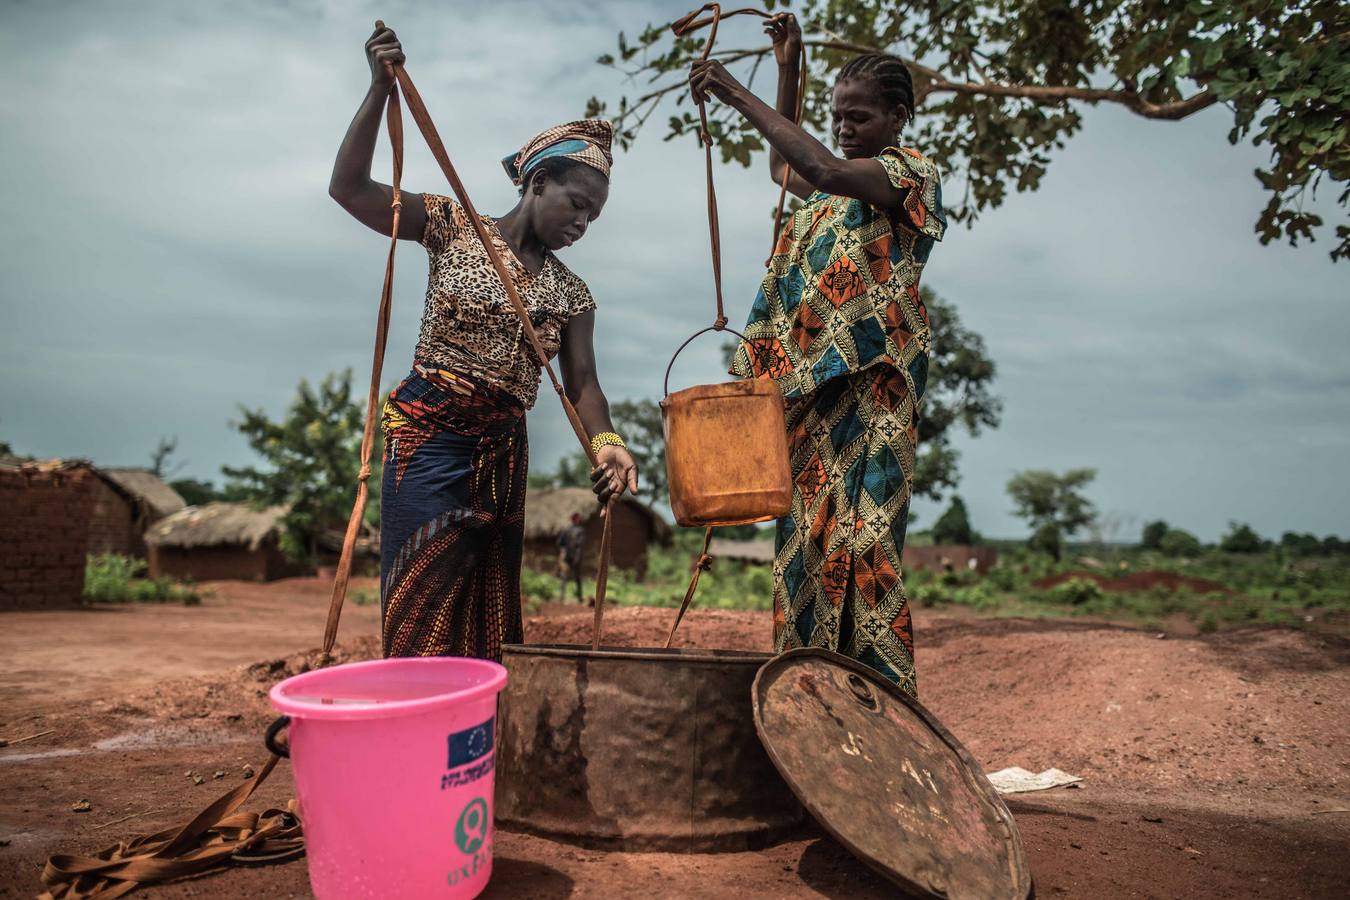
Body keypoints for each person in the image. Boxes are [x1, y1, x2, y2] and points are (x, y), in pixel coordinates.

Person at [329, 24, 638, 661]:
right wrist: (377, 92)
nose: (582, 223)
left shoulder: (573, 293)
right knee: (421, 593)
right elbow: (350, 190)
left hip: (503, 451)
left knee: (487, 608)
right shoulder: (451, 226)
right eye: (576, 204)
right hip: (430, 439)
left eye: (594, 217)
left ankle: (474, 746)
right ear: (536, 183)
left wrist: (607, 444)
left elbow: (583, 383)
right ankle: (413, 734)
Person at [690, 14, 945, 697]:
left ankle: (887, 706)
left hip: (874, 387)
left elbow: (820, 165)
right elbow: (787, 165)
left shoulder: (907, 175)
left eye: (858, 116)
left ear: (898, 117)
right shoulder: (826, 202)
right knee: (804, 552)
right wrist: (788, 65)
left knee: (864, 546)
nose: (843, 127)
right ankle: (814, 702)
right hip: (807, 394)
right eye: (836, 115)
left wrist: (734, 95)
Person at [556, 512, 586, 602]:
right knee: (571, 577)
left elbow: (559, 543)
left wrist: (565, 550)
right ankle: (566, 597)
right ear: (575, 519)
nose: (579, 519)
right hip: (572, 557)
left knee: (571, 577)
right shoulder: (579, 530)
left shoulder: (567, 530)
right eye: (578, 518)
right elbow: (578, 546)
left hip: (570, 556)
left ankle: (577, 597)